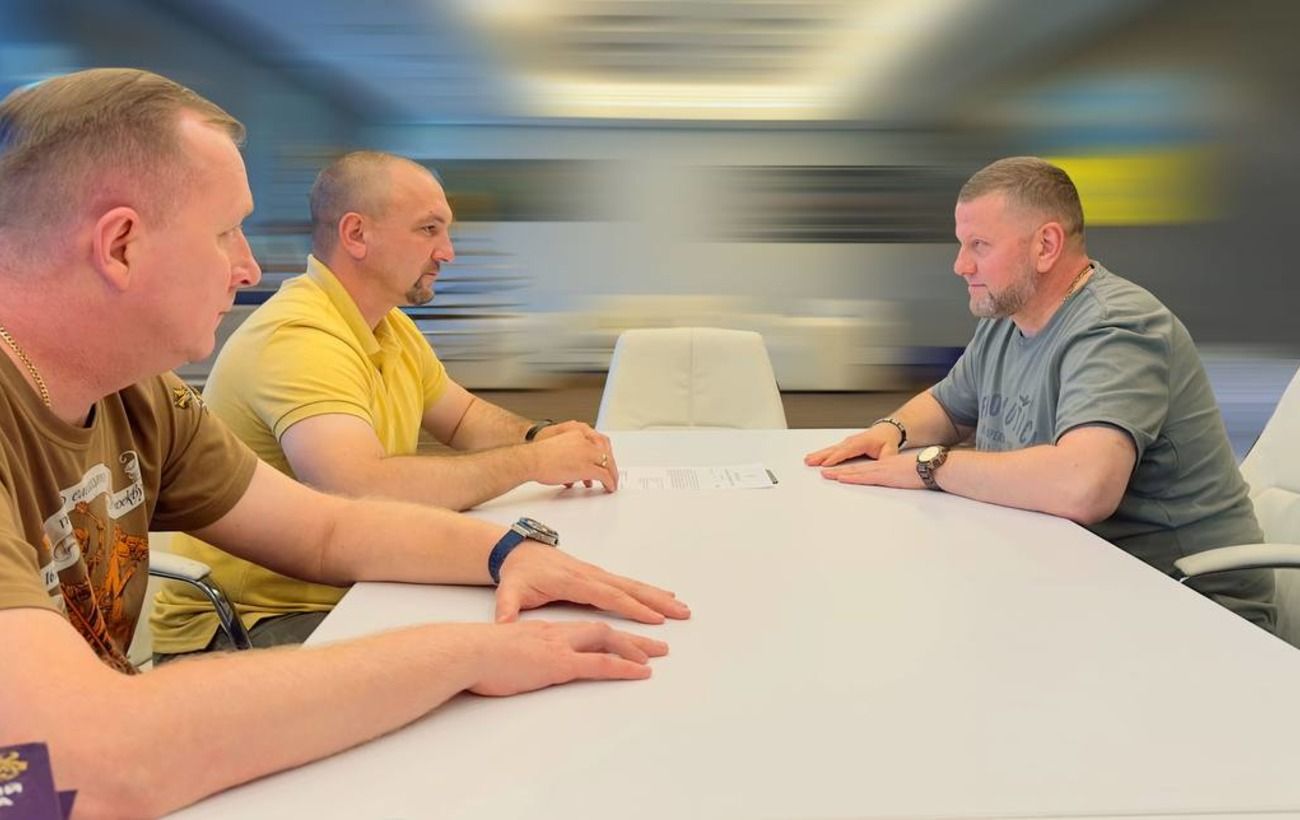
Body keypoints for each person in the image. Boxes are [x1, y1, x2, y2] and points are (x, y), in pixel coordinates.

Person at [0, 68, 688, 816]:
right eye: (226, 232)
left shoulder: (139, 393)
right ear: (121, 245)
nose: (249, 267)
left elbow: (323, 529)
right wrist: (465, 653)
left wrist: (509, 553)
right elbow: (78, 763)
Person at [149, 150, 627, 658]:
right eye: (428, 230)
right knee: (495, 655)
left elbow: (463, 417)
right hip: (254, 623)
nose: (447, 252)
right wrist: (532, 462)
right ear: (356, 234)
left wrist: (538, 437)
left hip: (352, 588)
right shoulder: (299, 336)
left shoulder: (386, 324)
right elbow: (361, 489)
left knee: (525, 633)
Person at [805, 156, 1274, 630]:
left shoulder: (1116, 328)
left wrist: (931, 466)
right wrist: (892, 430)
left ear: (1045, 246)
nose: (960, 265)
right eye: (962, 244)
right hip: (1084, 580)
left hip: (1188, 606)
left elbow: (1084, 487)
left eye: (979, 245)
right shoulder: (1009, 320)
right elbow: (947, 405)